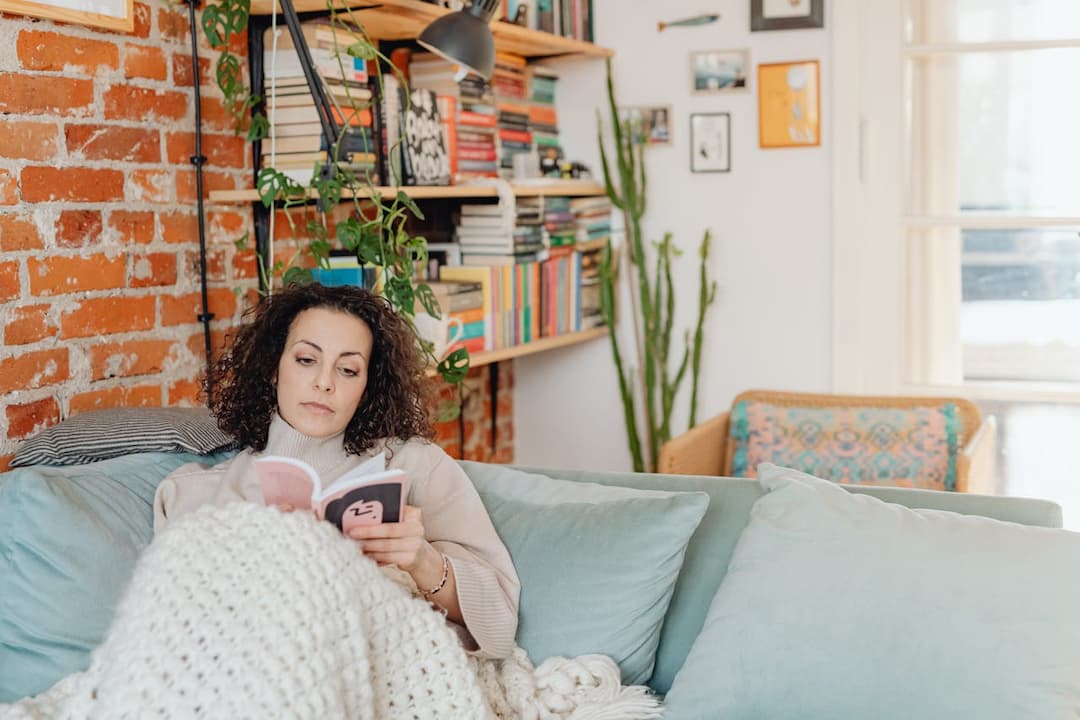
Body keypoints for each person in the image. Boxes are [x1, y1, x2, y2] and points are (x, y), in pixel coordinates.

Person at [153, 282, 519, 659]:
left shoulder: (414, 466)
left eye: (347, 369)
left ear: (368, 386)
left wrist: (423, 562)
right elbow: (169, 636)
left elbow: (501, 627)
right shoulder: (191, 494)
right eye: (306, 360)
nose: (324, 382)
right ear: (274, 368)